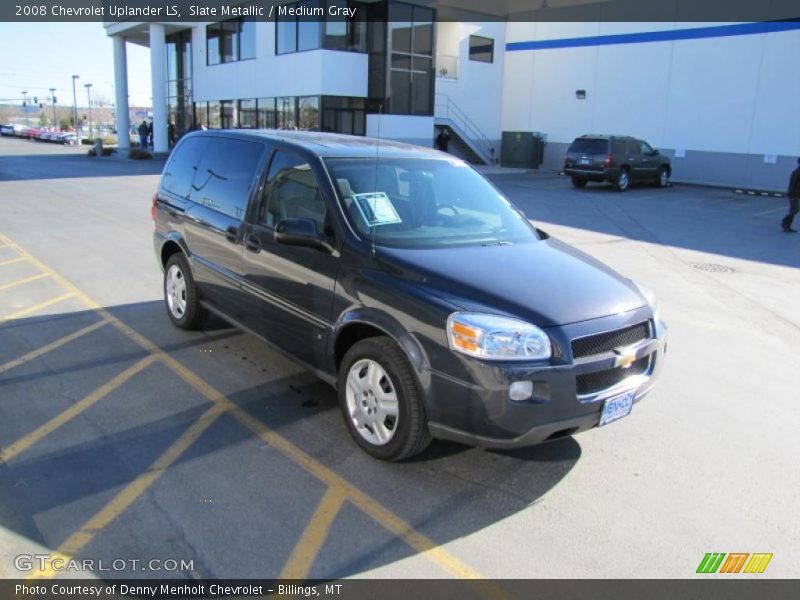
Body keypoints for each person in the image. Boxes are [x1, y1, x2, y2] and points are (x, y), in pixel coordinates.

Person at [782, 157, 800, 233]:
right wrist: (792, 195)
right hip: (793, 195)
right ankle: (785, 223)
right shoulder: (796, 172)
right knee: (795, 209)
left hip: (797, 194)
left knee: (793, 210)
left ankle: (787, 226)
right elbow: (792, 185)